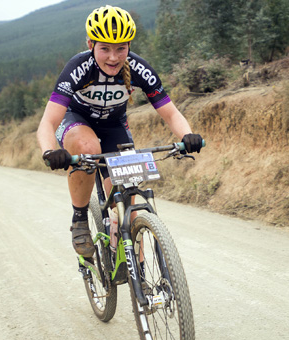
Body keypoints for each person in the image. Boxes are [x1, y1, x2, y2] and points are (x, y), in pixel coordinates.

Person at [37, 5, 203, 258]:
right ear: (91, 44)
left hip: (114, 127)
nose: (113, 57)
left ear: (128, 47)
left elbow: (170, 112)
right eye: (105, 48)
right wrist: (50, 151)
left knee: (129, 207)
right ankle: (80, 218)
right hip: (76, 120)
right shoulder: (78, 67)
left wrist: (187, 136)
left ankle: (140, 276)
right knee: (88, 149)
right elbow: (47, 123)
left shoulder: (138, 68)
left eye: (120, 49)